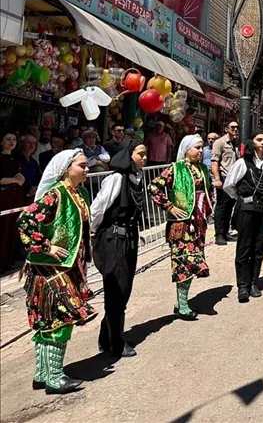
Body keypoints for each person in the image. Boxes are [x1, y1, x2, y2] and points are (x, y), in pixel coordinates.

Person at [17, 150, 96, 394]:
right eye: (82, 165)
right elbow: (25, 221)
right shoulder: (55, 194)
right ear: (66, 169)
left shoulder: (79, 193)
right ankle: (54, 377)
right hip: (49, 269)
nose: (87, 170)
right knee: (60, 319)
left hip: (67, 266)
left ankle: (42, 374)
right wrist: (46, 246)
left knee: (48, 320)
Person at [90, 142, 148, 357]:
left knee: (124, 289)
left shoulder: (138, 178)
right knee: (116, 289)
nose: (144, 158)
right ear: (128, 155)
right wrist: (93, 232)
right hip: (114, 239)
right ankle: (116, 342)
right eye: (140, 154)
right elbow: (97, 209)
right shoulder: (116, 179)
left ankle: (108, 336)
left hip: (129, 239)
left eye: (145, 154)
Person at [147, 135, 214, 320]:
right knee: (185, 261)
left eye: (202, 148)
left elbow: (209, 190)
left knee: (193, 261)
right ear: (186, 150)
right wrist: (169, 206)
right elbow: (153, 187)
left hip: (198, 223)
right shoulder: (175, 169)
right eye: (197, 148)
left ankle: (181, 301)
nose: (200, 151)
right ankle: (183, 305)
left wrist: (209, 205)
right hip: (181, 225)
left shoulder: (202, 169)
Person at [224, 130, 263, 303]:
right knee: (244, 246)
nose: (262, 143)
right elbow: (229, 185)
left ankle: (254, 282)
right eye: (259, 140)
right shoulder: (242, 163)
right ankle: (242, 286)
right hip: (247, 209)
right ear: (252, 142)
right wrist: (241, 199)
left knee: (259, 246)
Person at [211, 121, 239, 245]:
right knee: (221, 207)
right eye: (233, 127)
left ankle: (226, 232)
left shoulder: (236, 143)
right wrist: (217, 179)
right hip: (224, 179)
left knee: (229, 207)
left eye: (237, 127)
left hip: (234, 180)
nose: (236, 129)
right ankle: (219, 234)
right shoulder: (220, 142)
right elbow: (214, 162)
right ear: (226, 129)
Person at [1, 133, 25, 268]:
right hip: (4, 198)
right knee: (3, 229)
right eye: (8, 139)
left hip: (15, 197)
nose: (12, 142)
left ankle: (8, 259)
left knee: (11, 228)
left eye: (14, 139)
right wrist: (14, 180)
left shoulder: (16, 158)